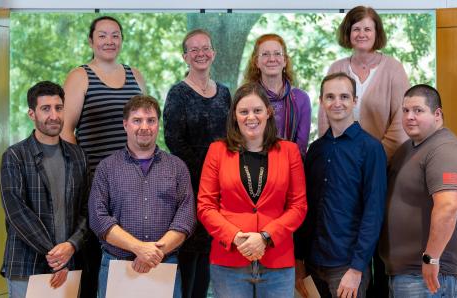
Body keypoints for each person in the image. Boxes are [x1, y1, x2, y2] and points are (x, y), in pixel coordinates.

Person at [61, 16, 146, 297]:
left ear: (122, 39)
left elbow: (145, 122)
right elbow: (65, 131)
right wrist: (84, 175)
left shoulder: (135, 74)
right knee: (95, 262)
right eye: (102, 36)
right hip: (96, 182)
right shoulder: (80, 75)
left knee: (131, 258)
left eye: (115, 35)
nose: (109, 41)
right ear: (91, 41)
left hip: (135, 183)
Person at [197, 82, 307, 297]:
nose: (251, 117)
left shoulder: (289, 151)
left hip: (277, 262)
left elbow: (298, 206)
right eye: (244, 111)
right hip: (229, 261)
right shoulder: (217, 151)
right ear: (234, 116)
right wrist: (236, 237)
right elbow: (205, 206)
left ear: (268, 112)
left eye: (257, 110)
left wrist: (265, 237)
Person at [89, 95, 196, 298]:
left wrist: (153, 254)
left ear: (158, 124)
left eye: (151, 120)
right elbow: (98, 218)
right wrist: (138, 248)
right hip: (117, 266)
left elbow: (185, 219)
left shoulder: (177, 167)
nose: (144, 126)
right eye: (137, 120)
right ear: (125, 125)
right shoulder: (107, 167)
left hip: (164, 266)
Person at [295, 73, 387, 298]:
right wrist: (299, 260)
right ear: (321, 101)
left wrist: (356, 268)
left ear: (355, 101)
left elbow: (374, 212)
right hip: (312, 263)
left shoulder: (370, 149)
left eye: (344, 96)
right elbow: (305, 209)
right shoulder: (316, 150)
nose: (337, 103)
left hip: (347, 266)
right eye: (330, 96)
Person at [379, 84, 457, 297]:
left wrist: (432, 258)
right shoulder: (408, 149)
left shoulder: (444, 149)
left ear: (437, 114)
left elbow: (448, 206)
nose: (409, 117)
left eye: (418, 110)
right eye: (405, 110)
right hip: (407, 273)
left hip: (431, 275)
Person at [0, 81, 89, 298]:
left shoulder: (78, 156)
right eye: (45, 109)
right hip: (26, 265)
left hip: (70, 263)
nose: (54, 116)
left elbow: (86, 210)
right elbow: (16, 213)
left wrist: (71, 246)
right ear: (32, 113)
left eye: (58, 108)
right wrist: (55, 256)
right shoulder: (15, 156)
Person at [163, 29, 231, 298]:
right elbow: (174, 140)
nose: (201, 53)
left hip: (223, 186)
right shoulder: (178, 93)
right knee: (190, 252)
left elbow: (232, 137)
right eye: (194, 49)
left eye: (206, 48)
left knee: (212, 253)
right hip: (190, 186)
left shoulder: (225, 93)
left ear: (213, 53)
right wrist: (204, 176)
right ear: (185, 57)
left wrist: (223, 177)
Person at [320, 6, 410, 161]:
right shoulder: (336, 68)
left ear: (377, 33)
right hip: (341, 161)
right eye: (356, 29)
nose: (361, 34)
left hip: (383, 161)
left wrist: (375, 157)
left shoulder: (394, 69)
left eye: (367, 29)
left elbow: (401, 120)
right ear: (348, 33)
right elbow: (324, 117)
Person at [244, 33, 311, 156]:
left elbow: (301, 147)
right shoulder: (246, 97)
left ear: (285, 60)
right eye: (265, 54)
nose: (272, 59)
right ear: (256, 62)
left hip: (291, 166)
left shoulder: (301, 98)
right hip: (253, 166)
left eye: (277, 53)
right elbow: (242, 138)